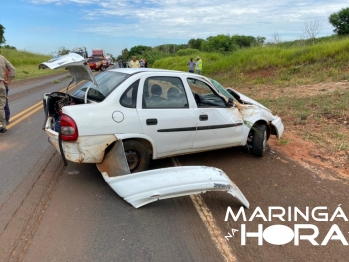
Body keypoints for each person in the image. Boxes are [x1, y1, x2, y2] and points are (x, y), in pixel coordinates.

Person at [0, 55, 16, 133]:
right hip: (1, 84)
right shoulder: (2, 58)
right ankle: (2, 124)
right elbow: (12, 70)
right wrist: (8, 80)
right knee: (1, 106)